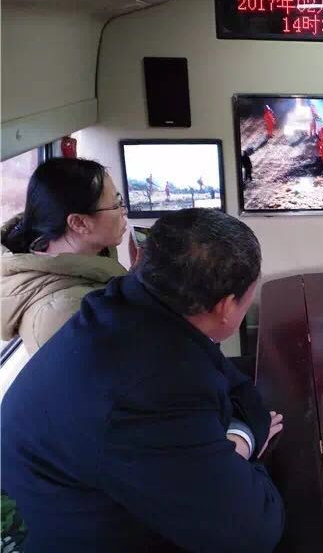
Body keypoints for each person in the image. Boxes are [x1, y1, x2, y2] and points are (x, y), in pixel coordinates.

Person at [1, 208, 285, 551]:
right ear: (226, 307)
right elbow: (253, 532)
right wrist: (242, 450)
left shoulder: (131, 304)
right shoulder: (151, 392)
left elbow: (241, 392)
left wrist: (239, 437)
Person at [1, 157, 129, 357]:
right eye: (116, 204)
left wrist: (139, 274)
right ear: (79, 223)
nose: (124, 211)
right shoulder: (59, 315)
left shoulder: (92, 253)